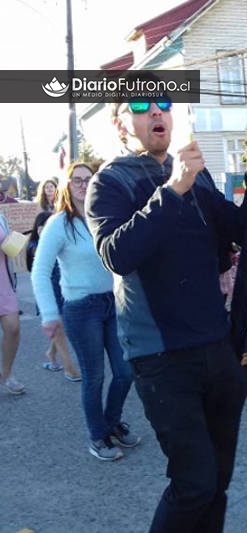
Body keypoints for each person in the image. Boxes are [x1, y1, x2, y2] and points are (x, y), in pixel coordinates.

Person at [86, 84, 247, 530]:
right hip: (161, 357)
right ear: (123, 124)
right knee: (194, 483)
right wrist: (174, 186)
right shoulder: (110, 181)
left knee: (218, 480)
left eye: (164, 103)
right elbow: (116, 254)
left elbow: (238, 229)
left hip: (215, 346)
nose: (156, 111)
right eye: (140, 106)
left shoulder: (197, 175)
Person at [33, 162, 136, 460]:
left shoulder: (103, 216)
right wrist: (50, 314)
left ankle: (112, 423)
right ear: (67, 186)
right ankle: (97, 436)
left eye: (87, 179)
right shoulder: (58, 224)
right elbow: (40, 270)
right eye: (76, 180)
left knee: (125, 370)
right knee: (94, 377)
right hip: (81, 309)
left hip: (112, 303)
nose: (82, 184)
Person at [26, 210, 80, 380]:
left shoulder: (62, 240)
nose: (45, 229)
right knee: (59, 329)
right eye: (42, 226)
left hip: (64, 289)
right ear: (37, 228)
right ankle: (69, 368)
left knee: (61, 326)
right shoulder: (35, 246)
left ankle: (51, 353)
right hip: (48, 292)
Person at [0, 210, 23, 394]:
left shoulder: (0, 216)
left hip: (3, 282)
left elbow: (9, 249)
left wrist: (14, 242)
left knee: (13, 328)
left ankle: (6, 374)